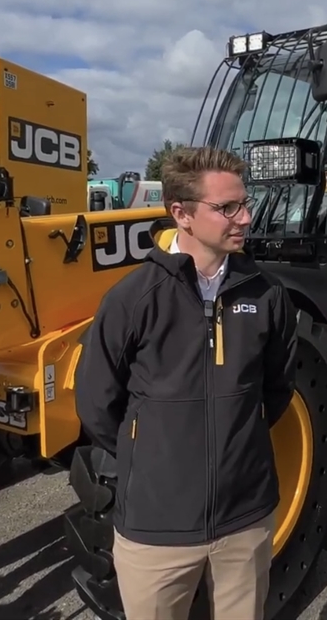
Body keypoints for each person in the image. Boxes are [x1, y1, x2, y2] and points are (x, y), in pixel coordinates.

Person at [75, 145, 298, 620]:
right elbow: (97, 403)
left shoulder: (267, 294)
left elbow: (277, 388)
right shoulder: (133, 299)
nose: (245, 217)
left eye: (245, 203)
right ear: (182, 214)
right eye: (228, 208)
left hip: (246, 519)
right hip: (156, 531)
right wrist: (153, 458)